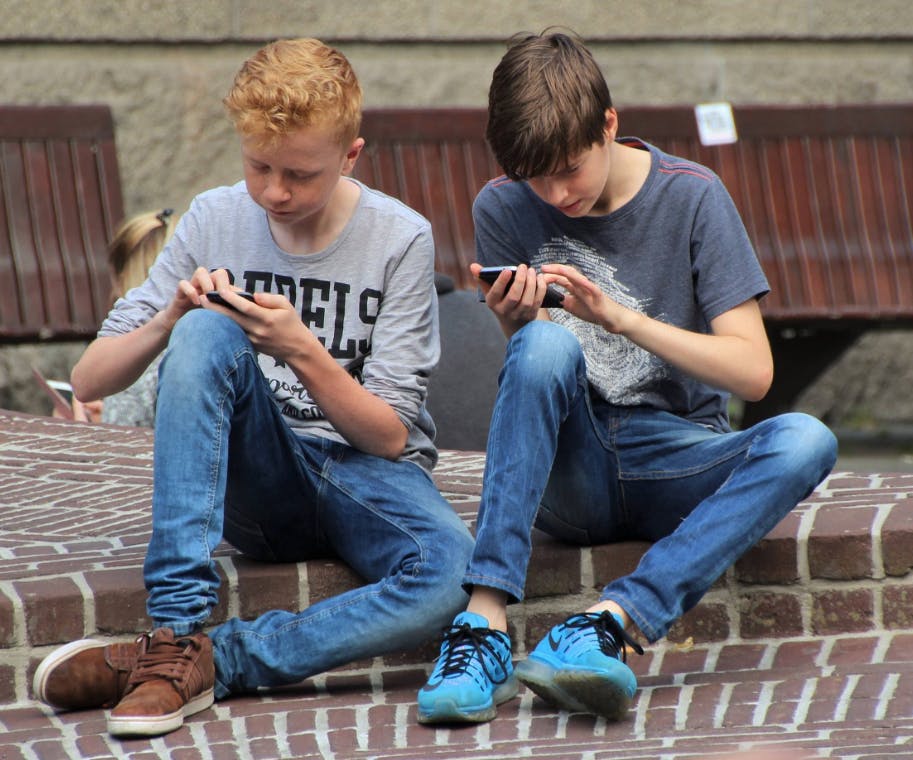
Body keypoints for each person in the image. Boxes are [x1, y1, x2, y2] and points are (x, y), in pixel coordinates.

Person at [32, 37, 473, 738]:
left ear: (350, 156)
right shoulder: (213, 217)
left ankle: (210, 661)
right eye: (258, 165)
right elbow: (91, 376)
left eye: (300, 173)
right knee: (206, 334)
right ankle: (175, 626)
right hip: (262, 478)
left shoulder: (400, 238)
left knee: (453, 575)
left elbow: (389, 434)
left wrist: (302, 348)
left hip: (368, 478)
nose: (275, 191)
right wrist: (173, 317)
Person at [417, 30, 837, 725]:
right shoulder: (501, 205)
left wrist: (619, 319)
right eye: (536, 178)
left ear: (608, 125)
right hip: (570, 469)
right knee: (544, 349)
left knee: (804, 440)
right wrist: (514, 323)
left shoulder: (693, 197)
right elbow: (532, 378)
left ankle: (606, 625)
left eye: (568, 169)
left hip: (675, 456)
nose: (554, 194)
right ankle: (482, 626)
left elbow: (754, 372)